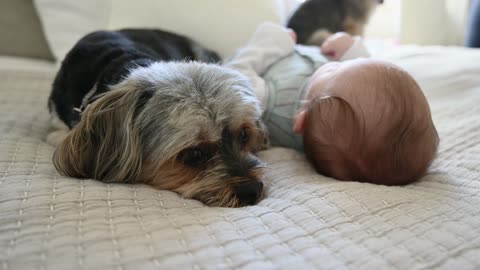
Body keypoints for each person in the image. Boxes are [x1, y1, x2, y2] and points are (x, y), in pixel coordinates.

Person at [226, 23, 439, 185]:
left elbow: (233, 76)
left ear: (301, 120)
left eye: (333, 70)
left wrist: (269, 43)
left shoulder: (271, 104)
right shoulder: (342, 96)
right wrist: (351, 50)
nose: (335, 65)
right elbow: (366, 75)